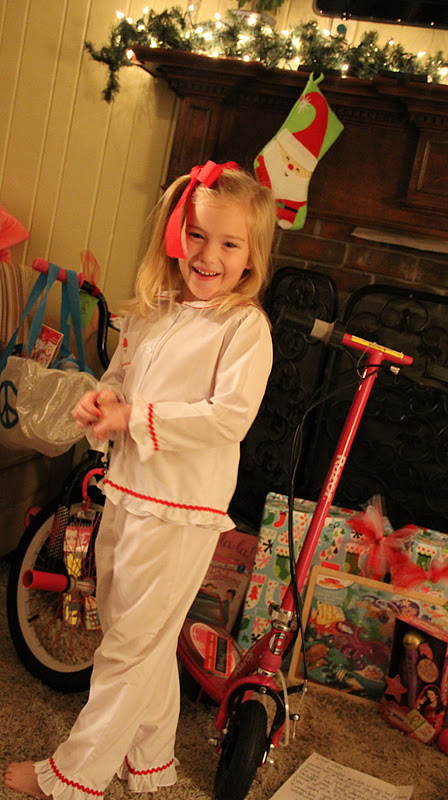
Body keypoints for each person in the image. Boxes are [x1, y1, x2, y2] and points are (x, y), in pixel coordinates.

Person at [4, 160, 276, 799]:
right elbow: (123, 377)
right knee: (136, 633)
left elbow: (229, 418)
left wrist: (136, 417)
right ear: (176, 234)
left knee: (126, 646)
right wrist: (104, 400)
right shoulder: (155, 311)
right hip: (127, 490)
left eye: (229, 244)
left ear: (251, 256)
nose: (208, 255)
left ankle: (74, 775)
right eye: (197, 235)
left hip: (181, 509)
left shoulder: (244, 328)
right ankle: (150, 759)